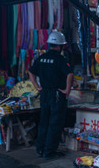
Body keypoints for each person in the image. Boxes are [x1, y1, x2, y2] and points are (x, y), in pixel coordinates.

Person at [28, 31, 73, 160]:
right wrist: (67, 90)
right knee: (55, 123)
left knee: (44, 121)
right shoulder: (60, 59)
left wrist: (37, 86)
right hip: (56, 94)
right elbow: (70, 74)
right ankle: (49, 151)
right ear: (60, 46)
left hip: (45, 93)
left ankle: (40, 149)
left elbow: (31, 72)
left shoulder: (41, 58)